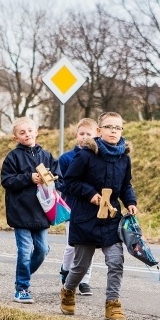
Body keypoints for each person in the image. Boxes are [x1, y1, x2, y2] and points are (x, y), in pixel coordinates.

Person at [60, 112, 137, 320]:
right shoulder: (85, 155)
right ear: (99, 131)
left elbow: (126, 185)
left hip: (111, 219)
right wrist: (90, 194)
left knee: (116, 262)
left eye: (117, 128)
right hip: (86, 218)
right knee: (80, 266)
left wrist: (130, 201)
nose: (113, 131)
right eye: (109, 127)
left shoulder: (124, 158)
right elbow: (70, 182)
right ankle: (68, 290)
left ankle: (113, 304)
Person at [0, 117, 62, 304]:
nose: (27, 134)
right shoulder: (13, 157)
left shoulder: (47, 156)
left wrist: (52, 180)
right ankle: (22, 287)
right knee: (25, 251)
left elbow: (60, 179)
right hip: (21, 212)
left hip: (42, 211)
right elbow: (7, 181)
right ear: (15, 138)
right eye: (22, 132)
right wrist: (29, 178)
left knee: (42, 250)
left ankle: (23, 272)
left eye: (29, 130)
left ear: (37, 131)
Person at [58, 118, 99, 296]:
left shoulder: (98, 158)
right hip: (71, 207)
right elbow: (62, 183)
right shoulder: (67, 158)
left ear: (96, 135)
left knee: (88, 244)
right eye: (81, 134)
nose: (84, 138)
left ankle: (85, 280)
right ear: (76, 136)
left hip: (91, 208)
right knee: (72, 246)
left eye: (88, 134)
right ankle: (66, 271)